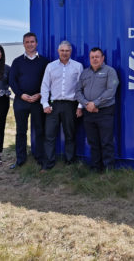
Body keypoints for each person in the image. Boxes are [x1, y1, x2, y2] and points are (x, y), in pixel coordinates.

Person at [39, 40, 83, 172]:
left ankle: (70, 162)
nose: (64, 53)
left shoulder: (77, 66)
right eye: (62, 51)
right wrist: (45, 104)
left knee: (70, 135)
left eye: (67, 51)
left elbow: (81, 88)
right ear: (58, 51)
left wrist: (80, 106)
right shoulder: (50, 66)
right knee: (49, 135)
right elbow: (45, 86)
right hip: (54, 105)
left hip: (71, 105)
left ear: (71, 52)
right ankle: (48, 163)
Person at [8, 32, 49, 169]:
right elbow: (12, 81)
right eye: (27, 42)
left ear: (36, 43)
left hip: (38, 101)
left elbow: (47, 82)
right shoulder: (17, 62)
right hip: (21, 101)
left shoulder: (44, 62)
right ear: (24, 44)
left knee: (39, 130)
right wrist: (21, 95)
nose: (30, 44)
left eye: (32, 42)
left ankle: (40, 158)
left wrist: (40, 94)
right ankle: (20, 159)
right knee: (21, 131)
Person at [75, 47, 119, 172]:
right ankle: (96, 167)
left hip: (104, 112)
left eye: (97, 56)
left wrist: (95, 103)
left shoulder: (110, 71)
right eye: (92, 57)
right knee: (93, 142)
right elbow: (77, 91)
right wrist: (86, 104)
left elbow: (111, 91)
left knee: (106, 142)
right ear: (89, 59)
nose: (95, 59)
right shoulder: (85, 73)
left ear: (102, 58)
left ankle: (108, 169)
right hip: (88, 113)